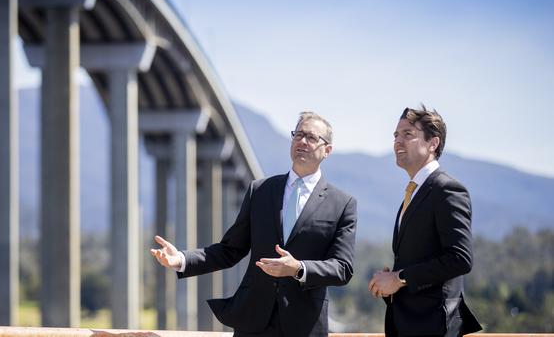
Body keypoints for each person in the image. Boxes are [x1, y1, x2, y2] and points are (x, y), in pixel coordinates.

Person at [151, 111, 357, 336]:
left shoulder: (342, 204)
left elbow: (342, 268)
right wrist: (181, 259)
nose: (302, 141)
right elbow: (230, 250)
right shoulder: (260, 191)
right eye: (298, 135)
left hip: (304, 326)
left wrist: (299, 268)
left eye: (311, 137)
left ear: (327, 150)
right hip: (253, 322)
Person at [368, 105, 482, 337]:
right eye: (395, 135)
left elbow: (460, 259)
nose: (397, 141)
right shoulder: (413, 193)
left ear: (433, 143)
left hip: (435, 325)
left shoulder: (447, 189)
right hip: (406, 323)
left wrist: (399, 278)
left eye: (407, 134)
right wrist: (390, 281)